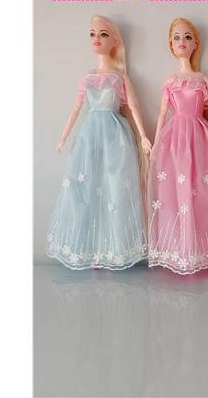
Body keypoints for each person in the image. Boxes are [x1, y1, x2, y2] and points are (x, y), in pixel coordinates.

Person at [47, 15, 150, 269]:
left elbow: (134, 106)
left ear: (114, 40)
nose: (96, 38)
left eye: (103, 34)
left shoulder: (119, 77)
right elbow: (75, 109)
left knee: (115, 189)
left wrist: (144, 136)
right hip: (89, 135)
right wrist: (63, 137)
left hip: (115, 135)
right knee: (87, 188)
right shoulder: (87, 77)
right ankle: (90, 250)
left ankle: (113, 250)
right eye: (92, 34)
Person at [147, 17, 208, 274]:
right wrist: (155, 143)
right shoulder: (169, 81)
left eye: (187, 37)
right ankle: (178, 249)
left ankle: (201, 250)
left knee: (202, 190)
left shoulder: (202, 79)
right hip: (174, 139)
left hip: (200, 137)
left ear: (195, 43)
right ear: (170, 44)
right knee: (174, 193)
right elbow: (162, 113)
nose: (182, 42)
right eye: (177, 37)